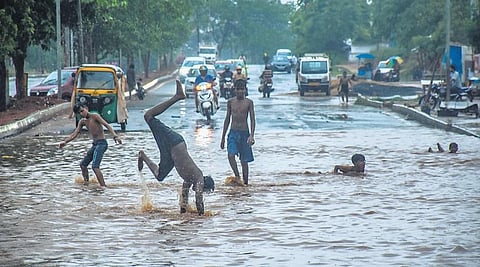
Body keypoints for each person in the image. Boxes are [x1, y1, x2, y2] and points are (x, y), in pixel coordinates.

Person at [137, 80, 215, 215]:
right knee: (148, 116)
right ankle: (177, 97)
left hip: (171, 154)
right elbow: (198, 200)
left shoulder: (189, 179)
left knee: (160, 176)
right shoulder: (199, 179)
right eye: (204, 190)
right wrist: (203, 217)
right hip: (175, 142)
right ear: (205, 185)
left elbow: (184, 199)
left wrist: (183, 214)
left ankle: (142, 155)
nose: (201, 191)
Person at [59, 104, 123, 187]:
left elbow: (107, 125)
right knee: (83, 164)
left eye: (82, 111)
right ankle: (86, 184)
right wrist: (65, 142)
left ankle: (103, 187)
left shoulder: (95, 116)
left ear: (86, 108)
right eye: (79, 113)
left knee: (95, 166)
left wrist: (115, 136)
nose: (82, 114)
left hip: (102, 143)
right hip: (95, 145)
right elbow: (75, 133)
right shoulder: (83, 121)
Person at [220, 79, 256, 185]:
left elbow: (252, 119)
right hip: (233, 133)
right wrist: (222, 138)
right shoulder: (230, 102)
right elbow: (227, 119)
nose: (240, 91)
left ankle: (245, 183)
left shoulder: (249, 102)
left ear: (245, 90)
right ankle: (237, 176)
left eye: (242, 89)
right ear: (234, 90)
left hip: (245, 134)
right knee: (231, 155)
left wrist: (252, 136)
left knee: (244, 161)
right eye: (238, 89)